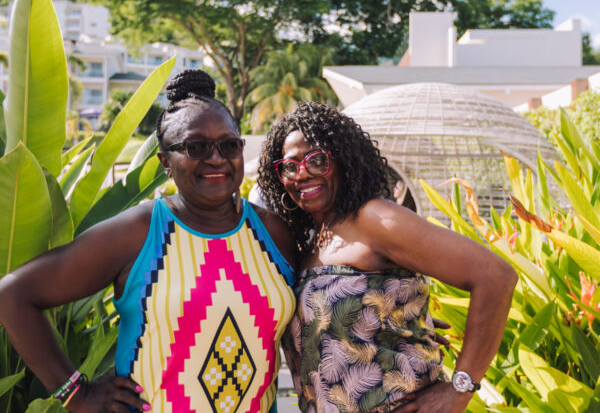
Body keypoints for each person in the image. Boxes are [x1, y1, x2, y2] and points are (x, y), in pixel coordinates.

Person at [0, 69, 297, 412]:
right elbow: (13, 294)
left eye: (228, 144)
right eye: (195, 147)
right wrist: (76, 393)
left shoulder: (273, 234)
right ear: (165, 162)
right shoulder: (139, 232)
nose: (216, 158)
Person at [257, 102, 517, 413]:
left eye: (316, 160)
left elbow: (495, 276)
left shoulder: (374, 218)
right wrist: (393, 320)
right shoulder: (313, 238)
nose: (302, 174)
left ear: (342, 161)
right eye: (290, 166)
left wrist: (461, 389)